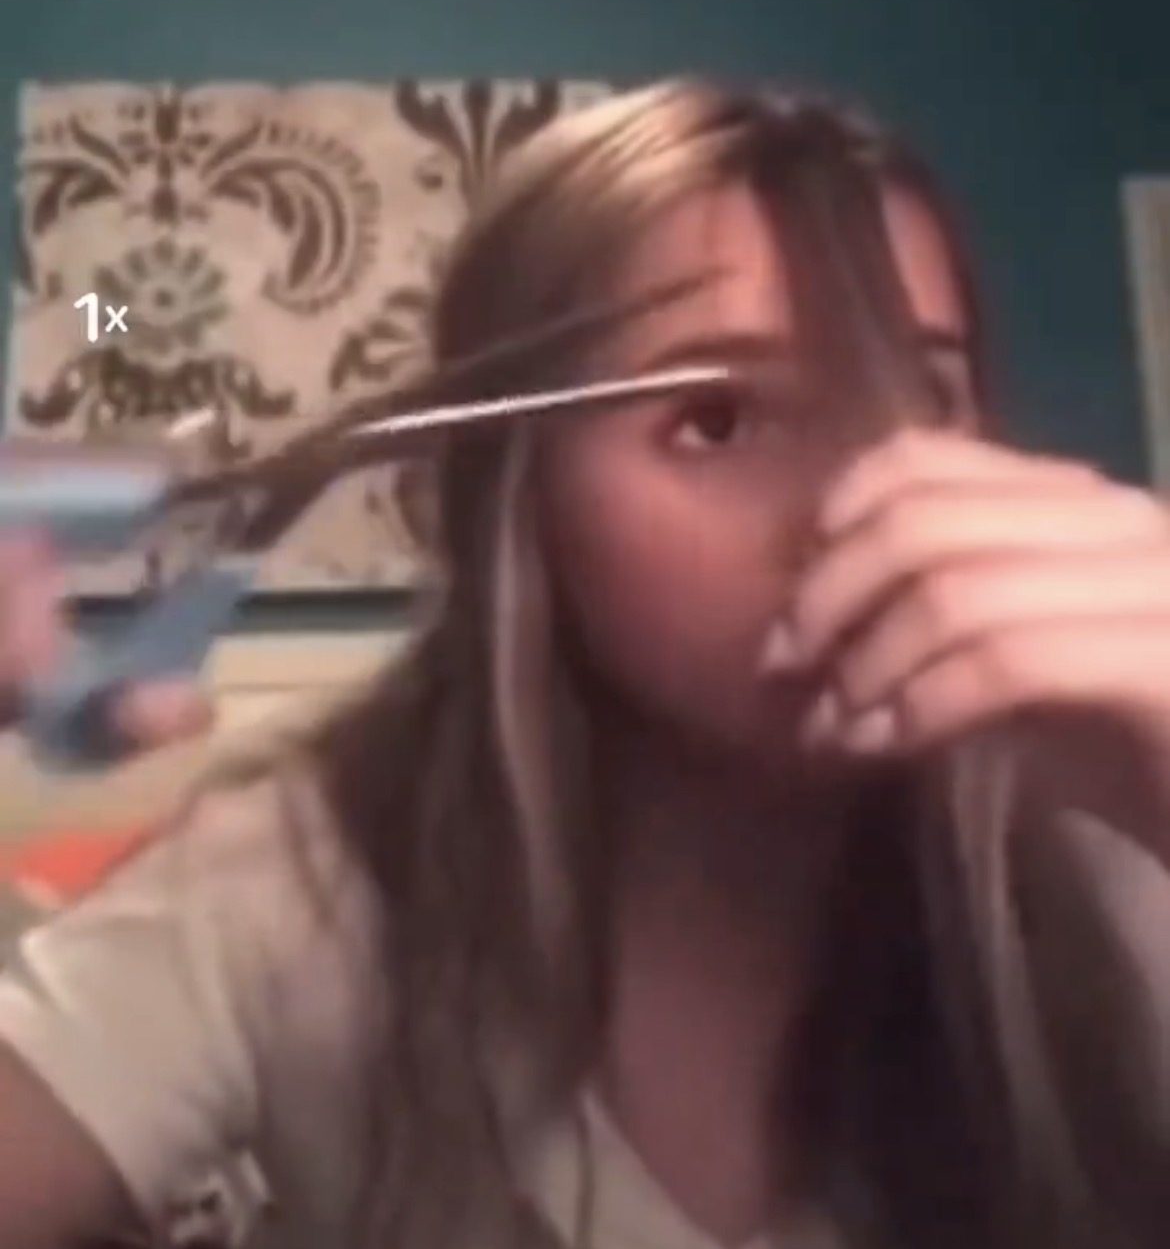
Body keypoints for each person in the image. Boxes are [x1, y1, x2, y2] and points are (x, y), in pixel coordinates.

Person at [0, 80, 1168, 1249]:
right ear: (517, 503)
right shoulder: (290, 884)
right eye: (717, 418)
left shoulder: (1118, 839)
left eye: (922, 395)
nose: (861, 502)